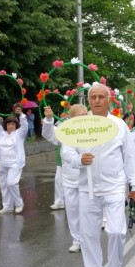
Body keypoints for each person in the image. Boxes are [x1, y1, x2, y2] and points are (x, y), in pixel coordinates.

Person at [61, 83, 135, 267]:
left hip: (114, 187)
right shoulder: (78, 125)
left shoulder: (118, 125)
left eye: (101, 97)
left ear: (108, 100)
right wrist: (79, 159)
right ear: (88, 100)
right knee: (88, 235)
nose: (97, 100)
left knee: (116, 231)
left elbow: (130, 157)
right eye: (93, 97)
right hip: (87, 189)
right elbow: (66, 152)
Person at [42, 104, 88, 252]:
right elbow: (49, 135)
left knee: (87, 212)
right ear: (72, 118)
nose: (85, 117)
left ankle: (88, 240)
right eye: (81, 115)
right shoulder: (65, 131)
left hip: (88, 179)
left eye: (86, 115)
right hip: (70, 179)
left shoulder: (93, 130)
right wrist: (49, 119)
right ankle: (77, 240)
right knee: (73, 211)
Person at [0, 103, 27, 214]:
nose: (11, 126)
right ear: (6, 125)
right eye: (9, 124)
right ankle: (7, 206)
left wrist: (21, 115)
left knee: (11, 183)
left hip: (15, 163)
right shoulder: (2, 133)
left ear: (15, 125)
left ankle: (19, 203)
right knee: (4, 185)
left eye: (13, 124)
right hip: (3, 164)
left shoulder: (19, 134)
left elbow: (25, 126)